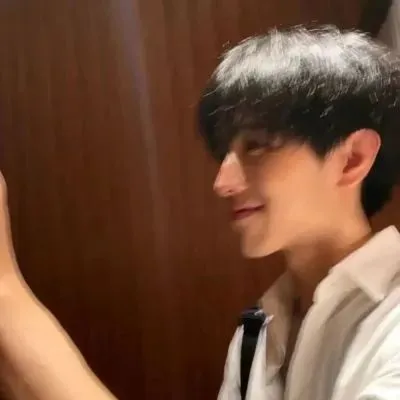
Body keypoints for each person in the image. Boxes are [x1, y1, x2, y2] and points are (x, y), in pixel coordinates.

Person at [0, 25, 399, 400]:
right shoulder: (260, 329)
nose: (223, 183)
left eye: (257, 145)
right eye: (225, 152)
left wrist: (8, 298)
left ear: (352, 159)